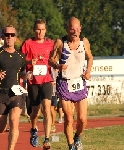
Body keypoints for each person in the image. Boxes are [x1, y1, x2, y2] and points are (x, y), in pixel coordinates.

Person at [49, 17, 93, 150]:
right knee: (68, 117)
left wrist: (88, 71)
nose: (75, 31)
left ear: (81, 28)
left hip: (79, 82)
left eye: (77, 28)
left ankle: (77, 137)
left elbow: (90, 57)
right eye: (72, 28)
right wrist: (57, 65)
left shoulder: (84, 42)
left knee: (83, 119)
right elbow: (50, 59)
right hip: (64, 83)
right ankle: (70, 146)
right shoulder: (60, 42)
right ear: (67, 29)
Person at [0, 25, 26, 150]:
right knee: (1, 126)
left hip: (15, 93)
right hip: (1, 94)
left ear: (15, 37)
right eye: (7, 35)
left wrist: (27, 75)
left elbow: (21, 73)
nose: (9, 37)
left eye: (12, 35)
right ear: (3, 37)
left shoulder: (21, 56)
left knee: (14, 122)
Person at [20, 19, 54, 149]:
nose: (40, 32)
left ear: (45, 30)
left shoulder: (50, 43)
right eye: (38, 29)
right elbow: (20, 59)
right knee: (35, 112)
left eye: (42, 29)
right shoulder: (28, 43)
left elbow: (53, 59)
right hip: (33, 81)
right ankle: (34, 129)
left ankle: (46, 139)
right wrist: (29, 62)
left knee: (47, 107)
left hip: (46, 80)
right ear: (34, 30)